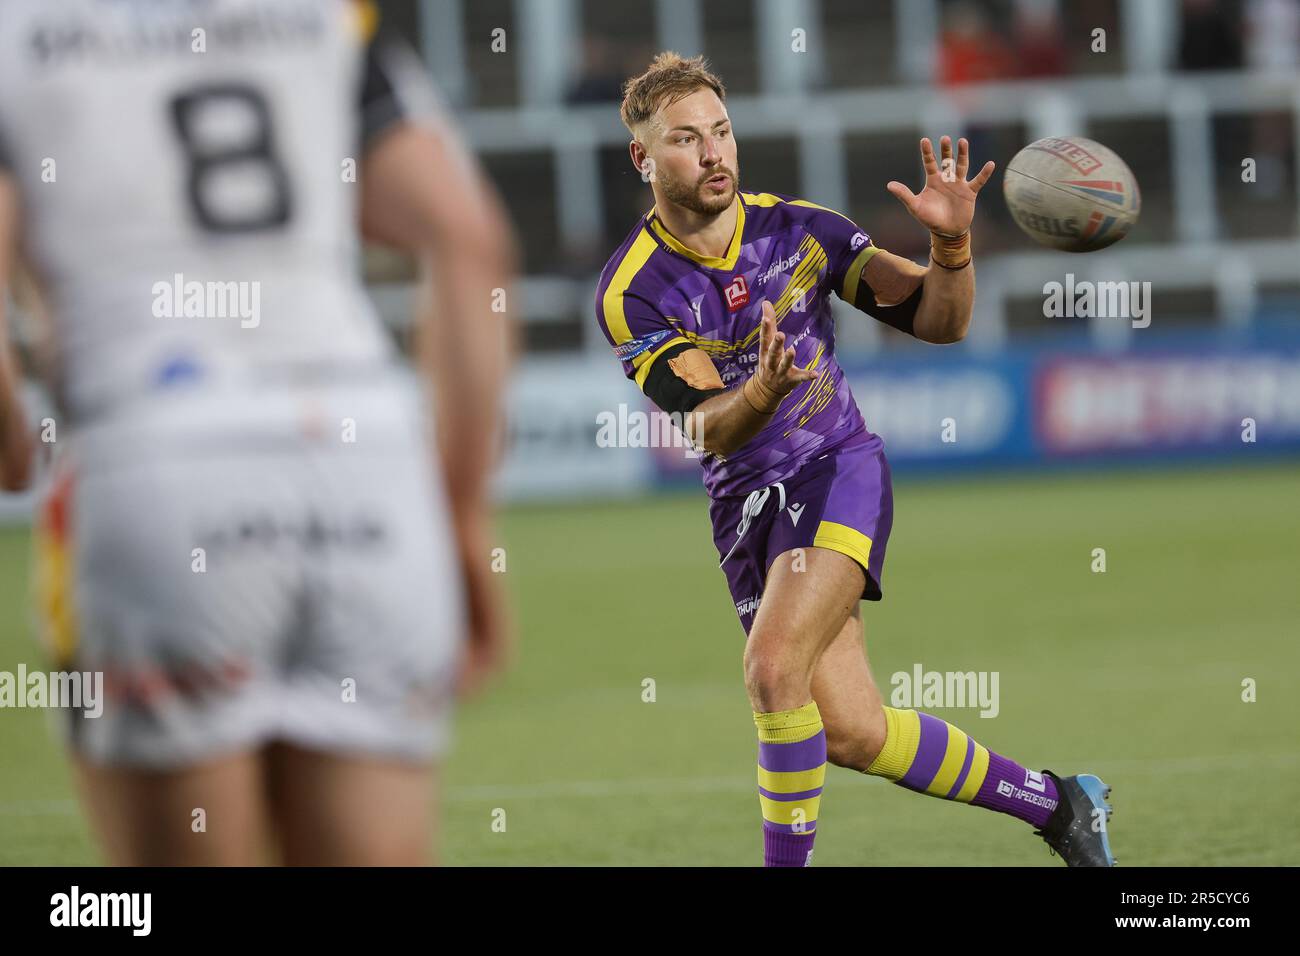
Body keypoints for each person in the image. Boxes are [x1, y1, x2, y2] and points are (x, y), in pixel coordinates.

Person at [0, 0, 516, 865]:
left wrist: (16, 449)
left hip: (156, 458)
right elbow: (468, 242)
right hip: (363, 459)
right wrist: (460, 513)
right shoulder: (326, 15)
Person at [595, 52, 1116, 867]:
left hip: (834, 468)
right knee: (853, 730)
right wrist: (760, 392)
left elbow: (939, 322)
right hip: (746, 511)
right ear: (644, 158)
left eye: (722, 133)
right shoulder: (633, 290)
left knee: (773, 671)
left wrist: (950, 248)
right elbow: (705, 429)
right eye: (687, 140)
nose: (713, 154)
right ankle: (1060, 805)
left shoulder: (803, 230)